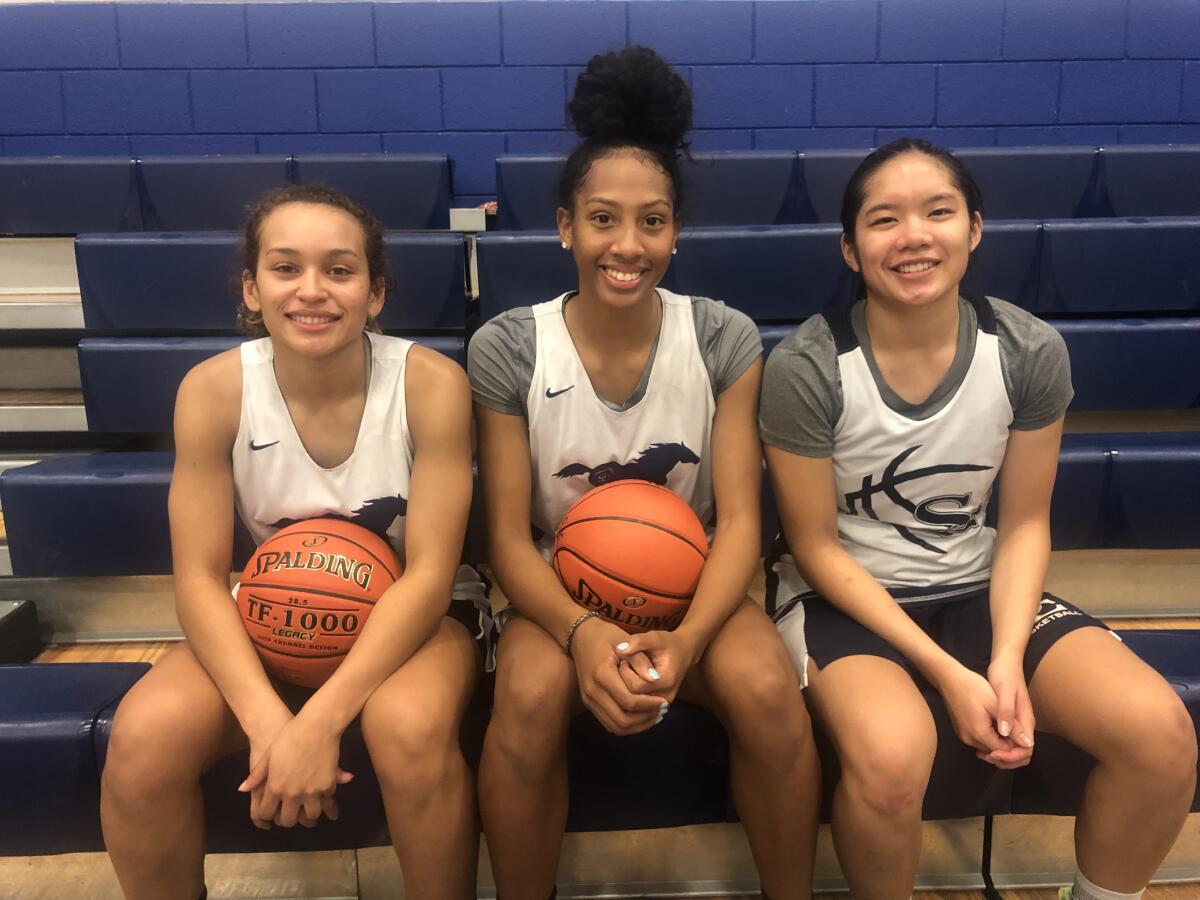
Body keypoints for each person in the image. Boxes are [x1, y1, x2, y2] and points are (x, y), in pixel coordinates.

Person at [761, 138, 1197, 900]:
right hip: (843, 599)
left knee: (1160, 733)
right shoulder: (807, 367)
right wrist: (947, 674)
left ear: (974, 229)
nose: (914, 236)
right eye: (884, 219)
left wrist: (1001, 660)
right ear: (850, 248)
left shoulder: (1028, 350)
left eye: (938, 211)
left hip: (972, 587)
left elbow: (1026, 523)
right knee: (895, 756)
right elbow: (815, 545)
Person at [469, 46, 820, 900]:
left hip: (693, 591)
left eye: (653, 221)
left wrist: (691, 638)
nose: (628, 245)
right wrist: (584, 634)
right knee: (521, 701)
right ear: (564, 227)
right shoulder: (510, 347)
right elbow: (510, 539)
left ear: (675, 230)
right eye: (603, 219)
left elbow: (740, 522)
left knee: (769, 691)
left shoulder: (723, 339)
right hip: (562, 592)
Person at [100, 184, 490, 900]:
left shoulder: (430, 384)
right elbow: (197, 578)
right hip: (275, 620)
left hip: (414, 625)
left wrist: (320, 722)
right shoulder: (212, 392)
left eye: (340, 270)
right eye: (285, 268)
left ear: (376, 293)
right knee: (141, 739)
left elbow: (431, 575)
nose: (312, 291)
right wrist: (269, 720)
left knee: (408, 729)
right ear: (251, 289)